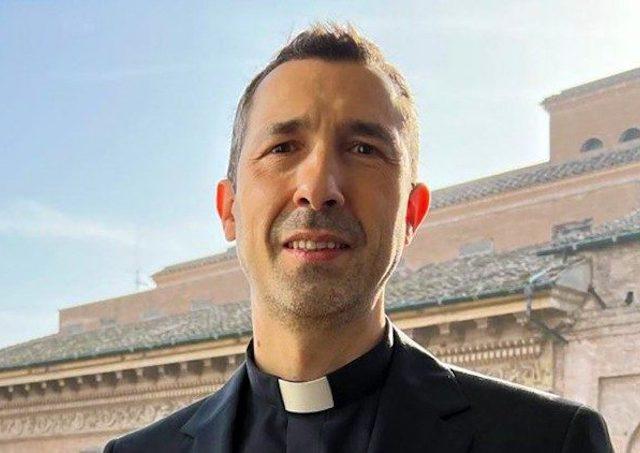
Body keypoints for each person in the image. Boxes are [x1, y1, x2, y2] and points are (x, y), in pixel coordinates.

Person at [104, 23, 613, 453]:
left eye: (364, 149)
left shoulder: (550, 441)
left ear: (412, 212)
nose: (318, 188)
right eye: (283, 147)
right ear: (228, 208)